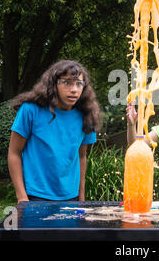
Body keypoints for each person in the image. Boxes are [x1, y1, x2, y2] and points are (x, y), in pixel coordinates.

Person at [8, 60, 102, 203]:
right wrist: (22, 197)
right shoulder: (30, 110)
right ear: (53, 84)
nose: (74, 89)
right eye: (67, 83)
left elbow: (82, 157)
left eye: (79, 84)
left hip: (71, 197)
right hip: (35, 195)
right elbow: (14, 153)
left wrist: (81, 198)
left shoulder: (87, 115)